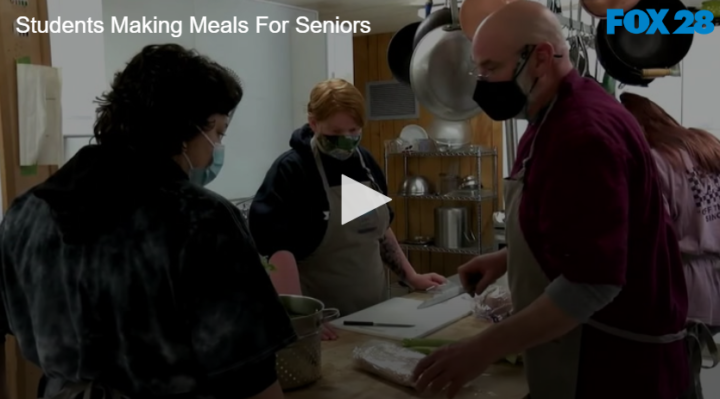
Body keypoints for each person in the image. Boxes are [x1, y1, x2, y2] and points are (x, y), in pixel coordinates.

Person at [412, 2, 692, 399]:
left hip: (612, 366)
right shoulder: (548, 115)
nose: (483, 83)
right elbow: (586, 230)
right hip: (575, 352)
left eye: (491, 68)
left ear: (540, 58)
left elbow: (591, 284)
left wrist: (479, 350)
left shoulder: (584, 134)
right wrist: (510, 258)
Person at [0, 44, 296, 399]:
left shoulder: (26, 213)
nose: (214, 149)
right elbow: (250, 376)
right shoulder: (201, 220)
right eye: (218, 132)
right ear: (186, 129)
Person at [249, 79, 445, 339]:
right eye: (334, 134)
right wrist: (301, 319)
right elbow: (278, 250)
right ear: (313, 123)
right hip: (326, 325)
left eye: (352, 132)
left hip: (376, 313)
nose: (344, 142)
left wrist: (411, 276)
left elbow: (378, 229)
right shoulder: (293, 171)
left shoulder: (362, 164)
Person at [620, 93, 720, 335]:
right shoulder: (705, 144)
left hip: (685, 288)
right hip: (716, 282)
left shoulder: (655, 162)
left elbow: (653, 235)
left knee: (675, 366)